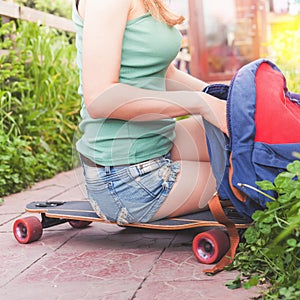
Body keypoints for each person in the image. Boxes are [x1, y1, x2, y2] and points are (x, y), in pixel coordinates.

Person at [73, 0, 228, 224]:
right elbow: (100, 98)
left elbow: (166, 75)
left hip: (161, 142)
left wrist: (223, 97)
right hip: (125, 177)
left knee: (245, 136)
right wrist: (200, 103)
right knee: (246, 174)